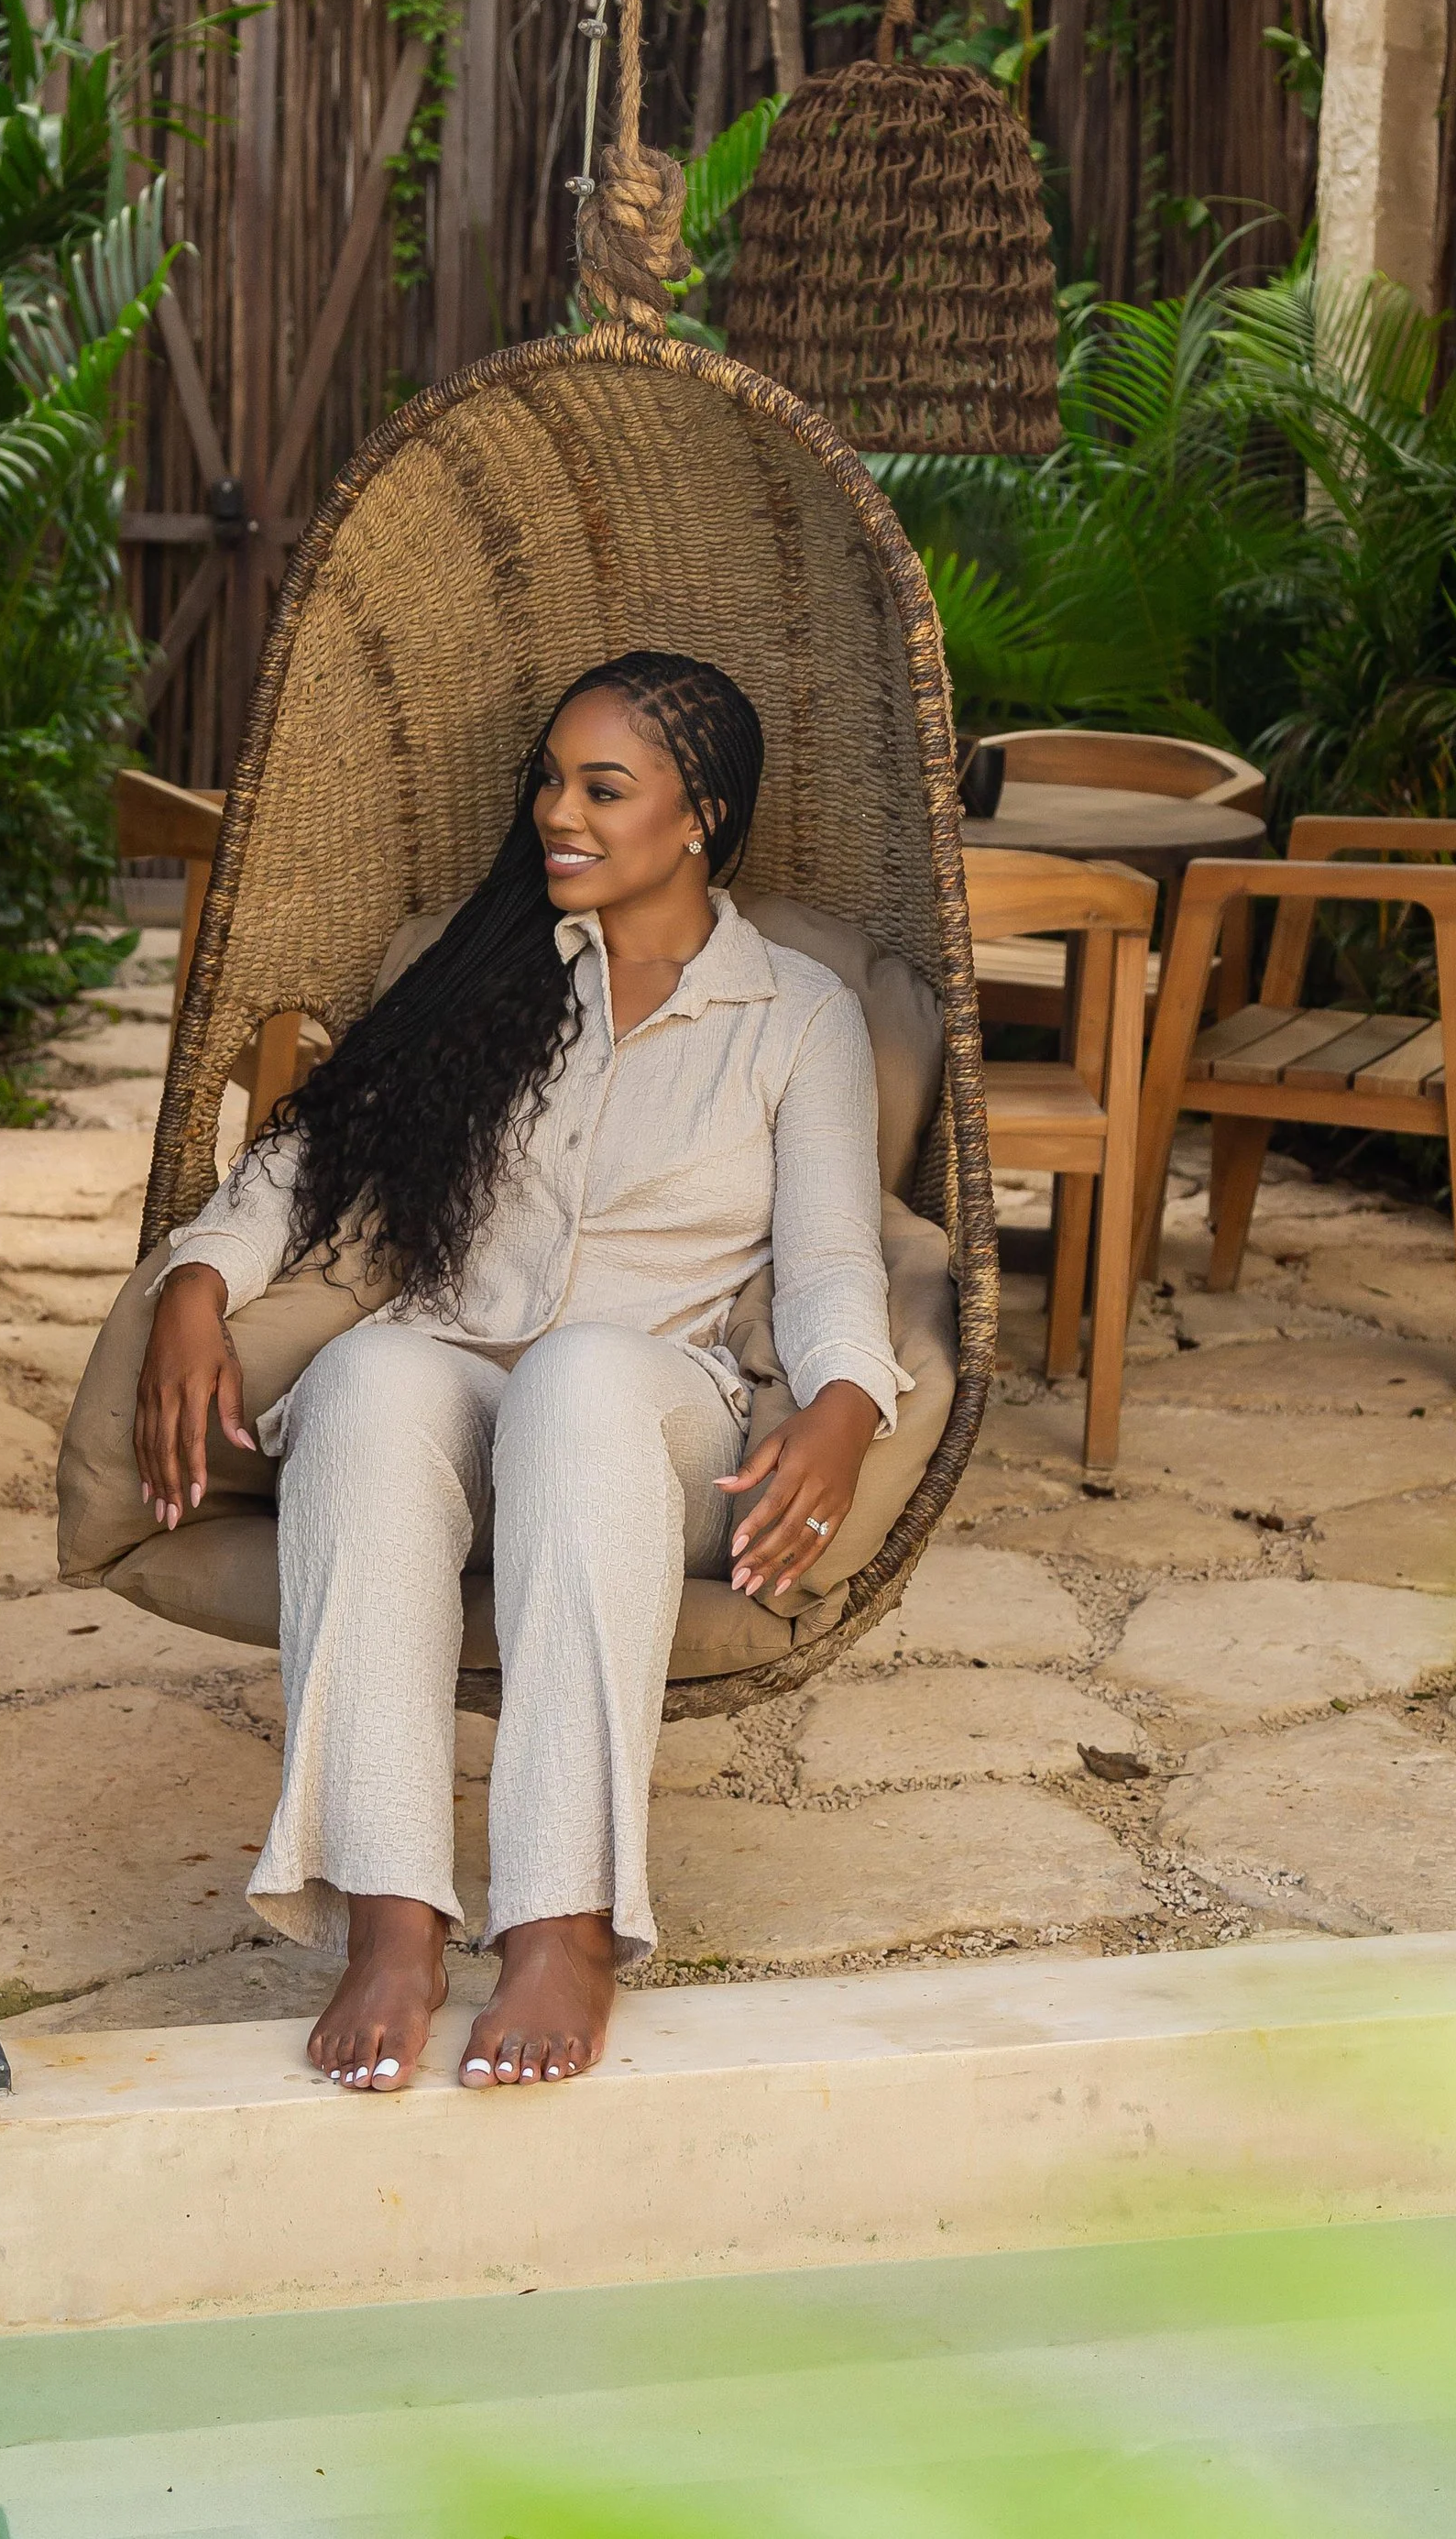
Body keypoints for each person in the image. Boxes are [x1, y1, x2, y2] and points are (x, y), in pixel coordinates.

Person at [131, 651, 905, 2095]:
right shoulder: (486, 971)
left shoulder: (800, 1014)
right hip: (461, 1391)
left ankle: (564, 1923)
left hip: (651, 1417)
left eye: (603, 788)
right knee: (369, 1375)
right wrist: (195, 1281)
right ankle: (393, 1920)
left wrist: (848, 1405)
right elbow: (304, 1164)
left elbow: (833, 1263)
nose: (558, 811)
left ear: (701, 815)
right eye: (549, 780)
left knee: (586, 1377)